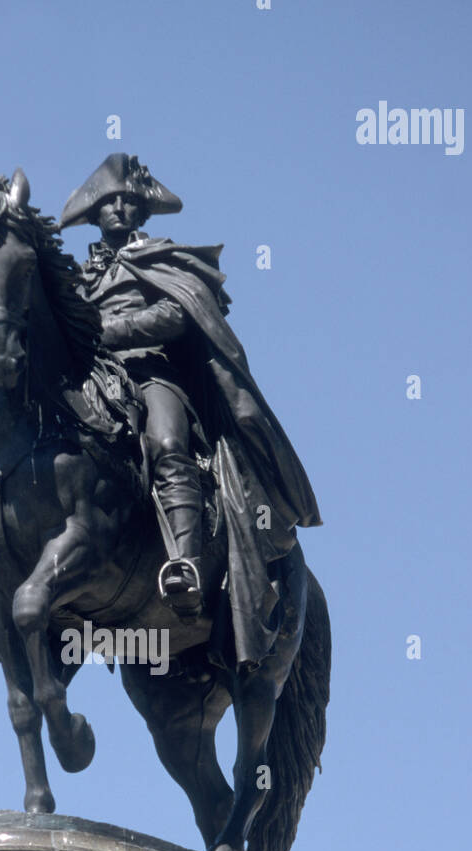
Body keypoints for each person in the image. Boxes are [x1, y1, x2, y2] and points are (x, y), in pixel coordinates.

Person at [61, 154, 323, 660]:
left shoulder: (166, 259)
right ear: (94, 214)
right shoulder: (79, 278)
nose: (118, 208)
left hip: (153, 374)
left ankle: (185, 564)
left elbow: (178, 313)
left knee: (165, 445)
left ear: (141, 212)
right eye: (108, 202)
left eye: (128, 201)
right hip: (95, 380)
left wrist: (110, 330)